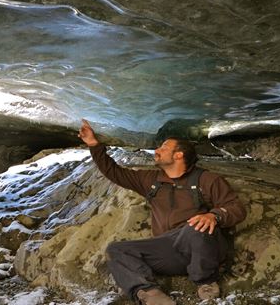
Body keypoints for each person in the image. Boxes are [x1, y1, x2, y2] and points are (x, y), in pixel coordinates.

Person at [78, 119, 246, 305]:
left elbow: (236, 208)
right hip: (167, 250)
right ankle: (150, 294)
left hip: (200, 247)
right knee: (116, 250)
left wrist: (214, 216)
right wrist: (94, 145)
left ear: (179, 155)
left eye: (164, 147)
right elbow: (115, 173)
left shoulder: (207, 180)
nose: (157, 151)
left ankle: (206, 282)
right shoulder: (151, 180)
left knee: (196, 225)